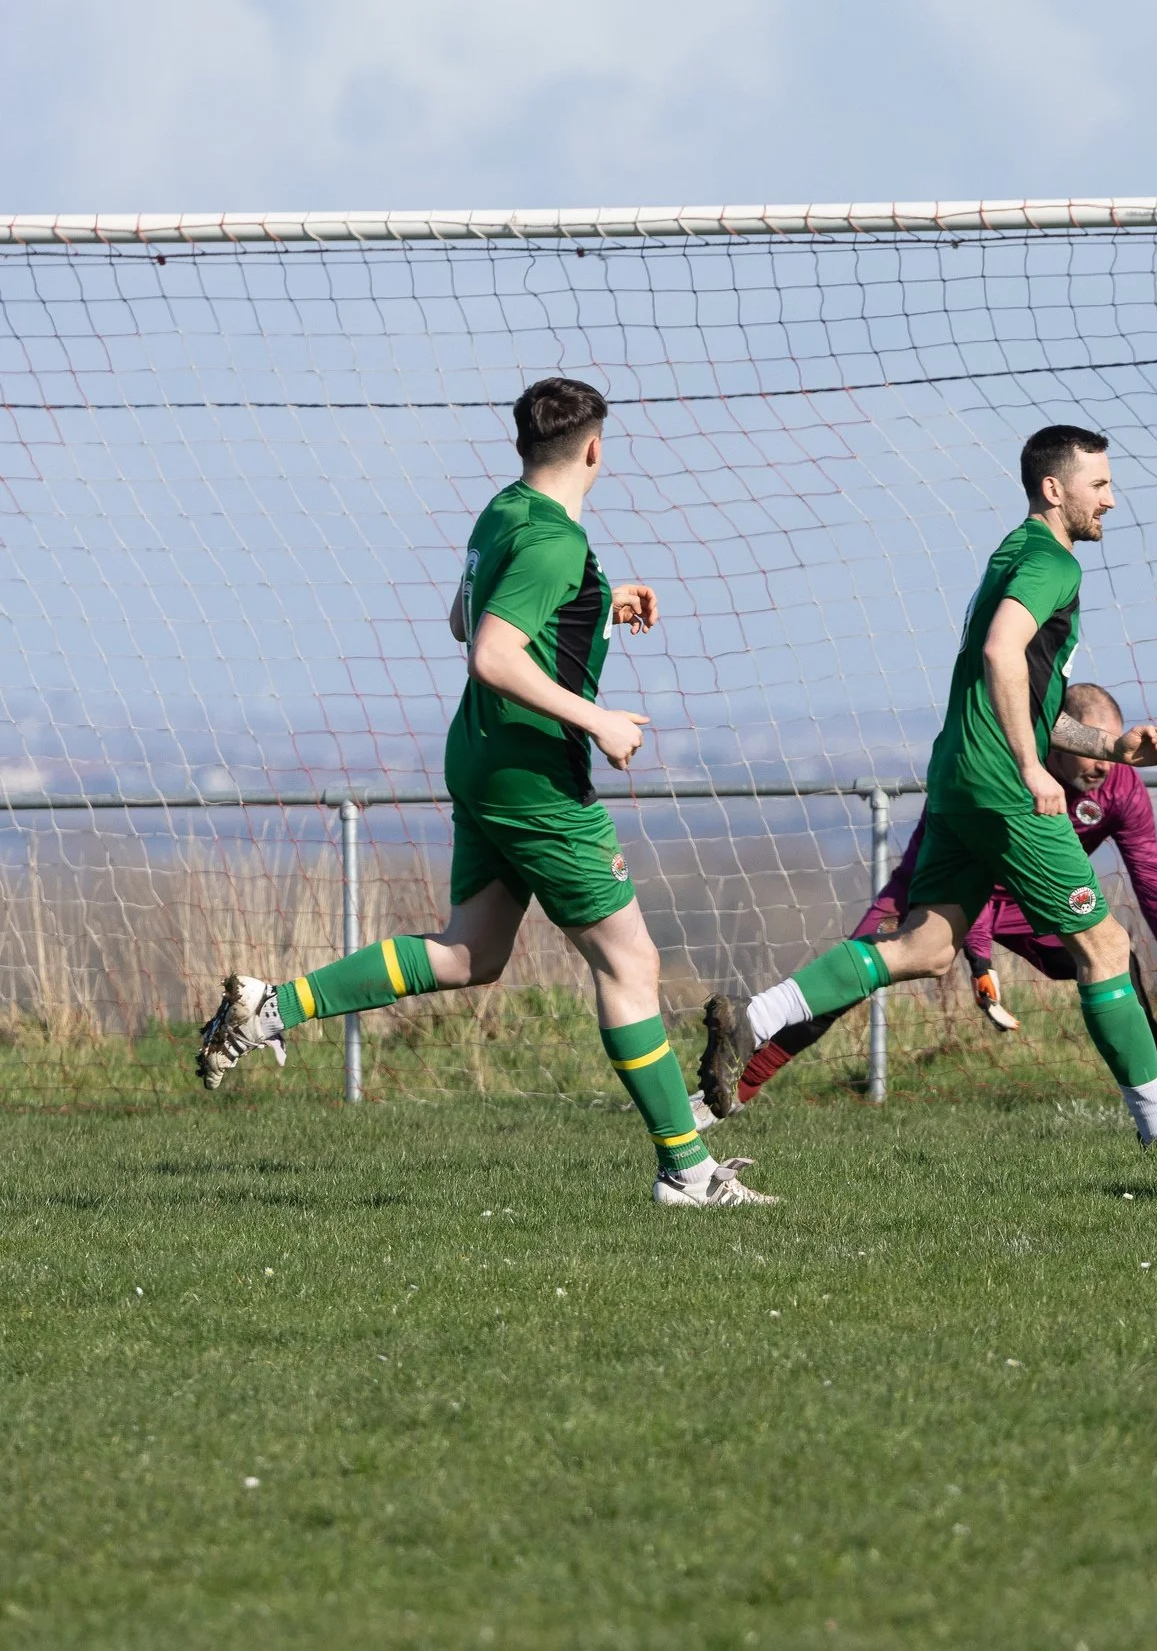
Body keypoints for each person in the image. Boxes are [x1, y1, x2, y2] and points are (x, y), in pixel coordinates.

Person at [194, 378, 773, 1207]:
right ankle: (686, 1172)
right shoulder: (553, 544)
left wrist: (600, 607)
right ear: (597, 448)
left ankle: (271, 1008)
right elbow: (491, 654)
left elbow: (466, 617)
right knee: (631, 962)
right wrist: (600, 720)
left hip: (483, 757)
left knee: (473, 951)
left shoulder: (505, 512)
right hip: (531, 774)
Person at [698, 425, 1157, 1150]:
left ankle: (758, 1017)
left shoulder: (1009, 551)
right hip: (1001, 785)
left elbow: (1026, 695)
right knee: (1106, 945)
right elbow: (1001, 652)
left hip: (957, 779)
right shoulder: (1053, 562)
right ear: (1055, 491)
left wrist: (1110, 746)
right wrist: (1030, 768)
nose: (1111, 501)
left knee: (927, 947)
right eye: (1100, 486)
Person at [710, 682, 1157, 1119]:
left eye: (1109, 745)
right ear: (1054, 738)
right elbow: (969, 867)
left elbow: (1152, 879)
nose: (1101, 763)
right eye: (1088, 746)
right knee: (847, 984)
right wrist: (979, 959)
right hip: (940, 888)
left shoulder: (1120, 789)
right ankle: (730, 1092)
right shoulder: (1002, 769)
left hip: (1035, 904)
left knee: (1114, 959)